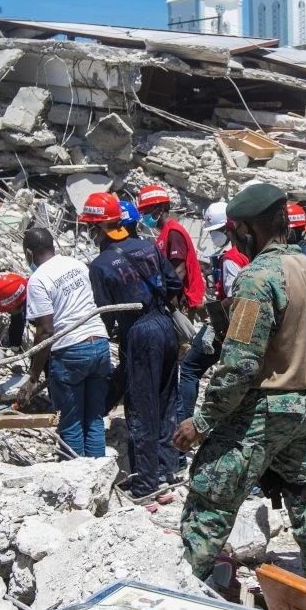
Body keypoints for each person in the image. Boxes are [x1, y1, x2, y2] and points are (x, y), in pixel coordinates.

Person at [173, 183, 306, 586]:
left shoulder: (256, 279)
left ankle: (187, 585)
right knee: (303, 494)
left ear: (246, 229)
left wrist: (203, 421)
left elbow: (240, 365)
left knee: (212, 493)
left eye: (235, 231)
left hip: (266, 408)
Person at [80, 192, 183, 498]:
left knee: (140, 408)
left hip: (138, 333)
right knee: (166, 401)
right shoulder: (148, 246)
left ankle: (146, 485)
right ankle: (167, 472)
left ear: (98, 228)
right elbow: (173, 284)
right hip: (165, 326)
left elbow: (106, 314)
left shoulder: (100, 265)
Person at [17, 228, 112, 458]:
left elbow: (46, 330)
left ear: (29, 253)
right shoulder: (77, 264)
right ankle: (96, 479)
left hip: (71, 352)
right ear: (53, 245)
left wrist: (32, 376)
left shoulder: (38, 280)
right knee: (94, 419)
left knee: (70, 423)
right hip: (99, 344)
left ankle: (75, 481)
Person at [176, 201, 250, 428]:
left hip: (226, 326)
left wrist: (209, 314)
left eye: (217, 231)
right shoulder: (247, 252)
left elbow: (233, 297)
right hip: (244, 325)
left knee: (189, 369)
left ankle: (184, 424)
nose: (214, 237)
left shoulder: (230, 260)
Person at [138, 184, 206, 310]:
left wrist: (162, 297)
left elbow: (179, 271)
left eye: (147, 211)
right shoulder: (165, 234)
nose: (144, 216)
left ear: (160, 209)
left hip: (184, 300)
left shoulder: (174, 232)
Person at [0, 272, 29, 349]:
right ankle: (14, 343)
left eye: (8, 310)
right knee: (16, 317)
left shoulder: (38, 306)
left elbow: (45, 330)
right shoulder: (20, 289)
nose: (7, 312)